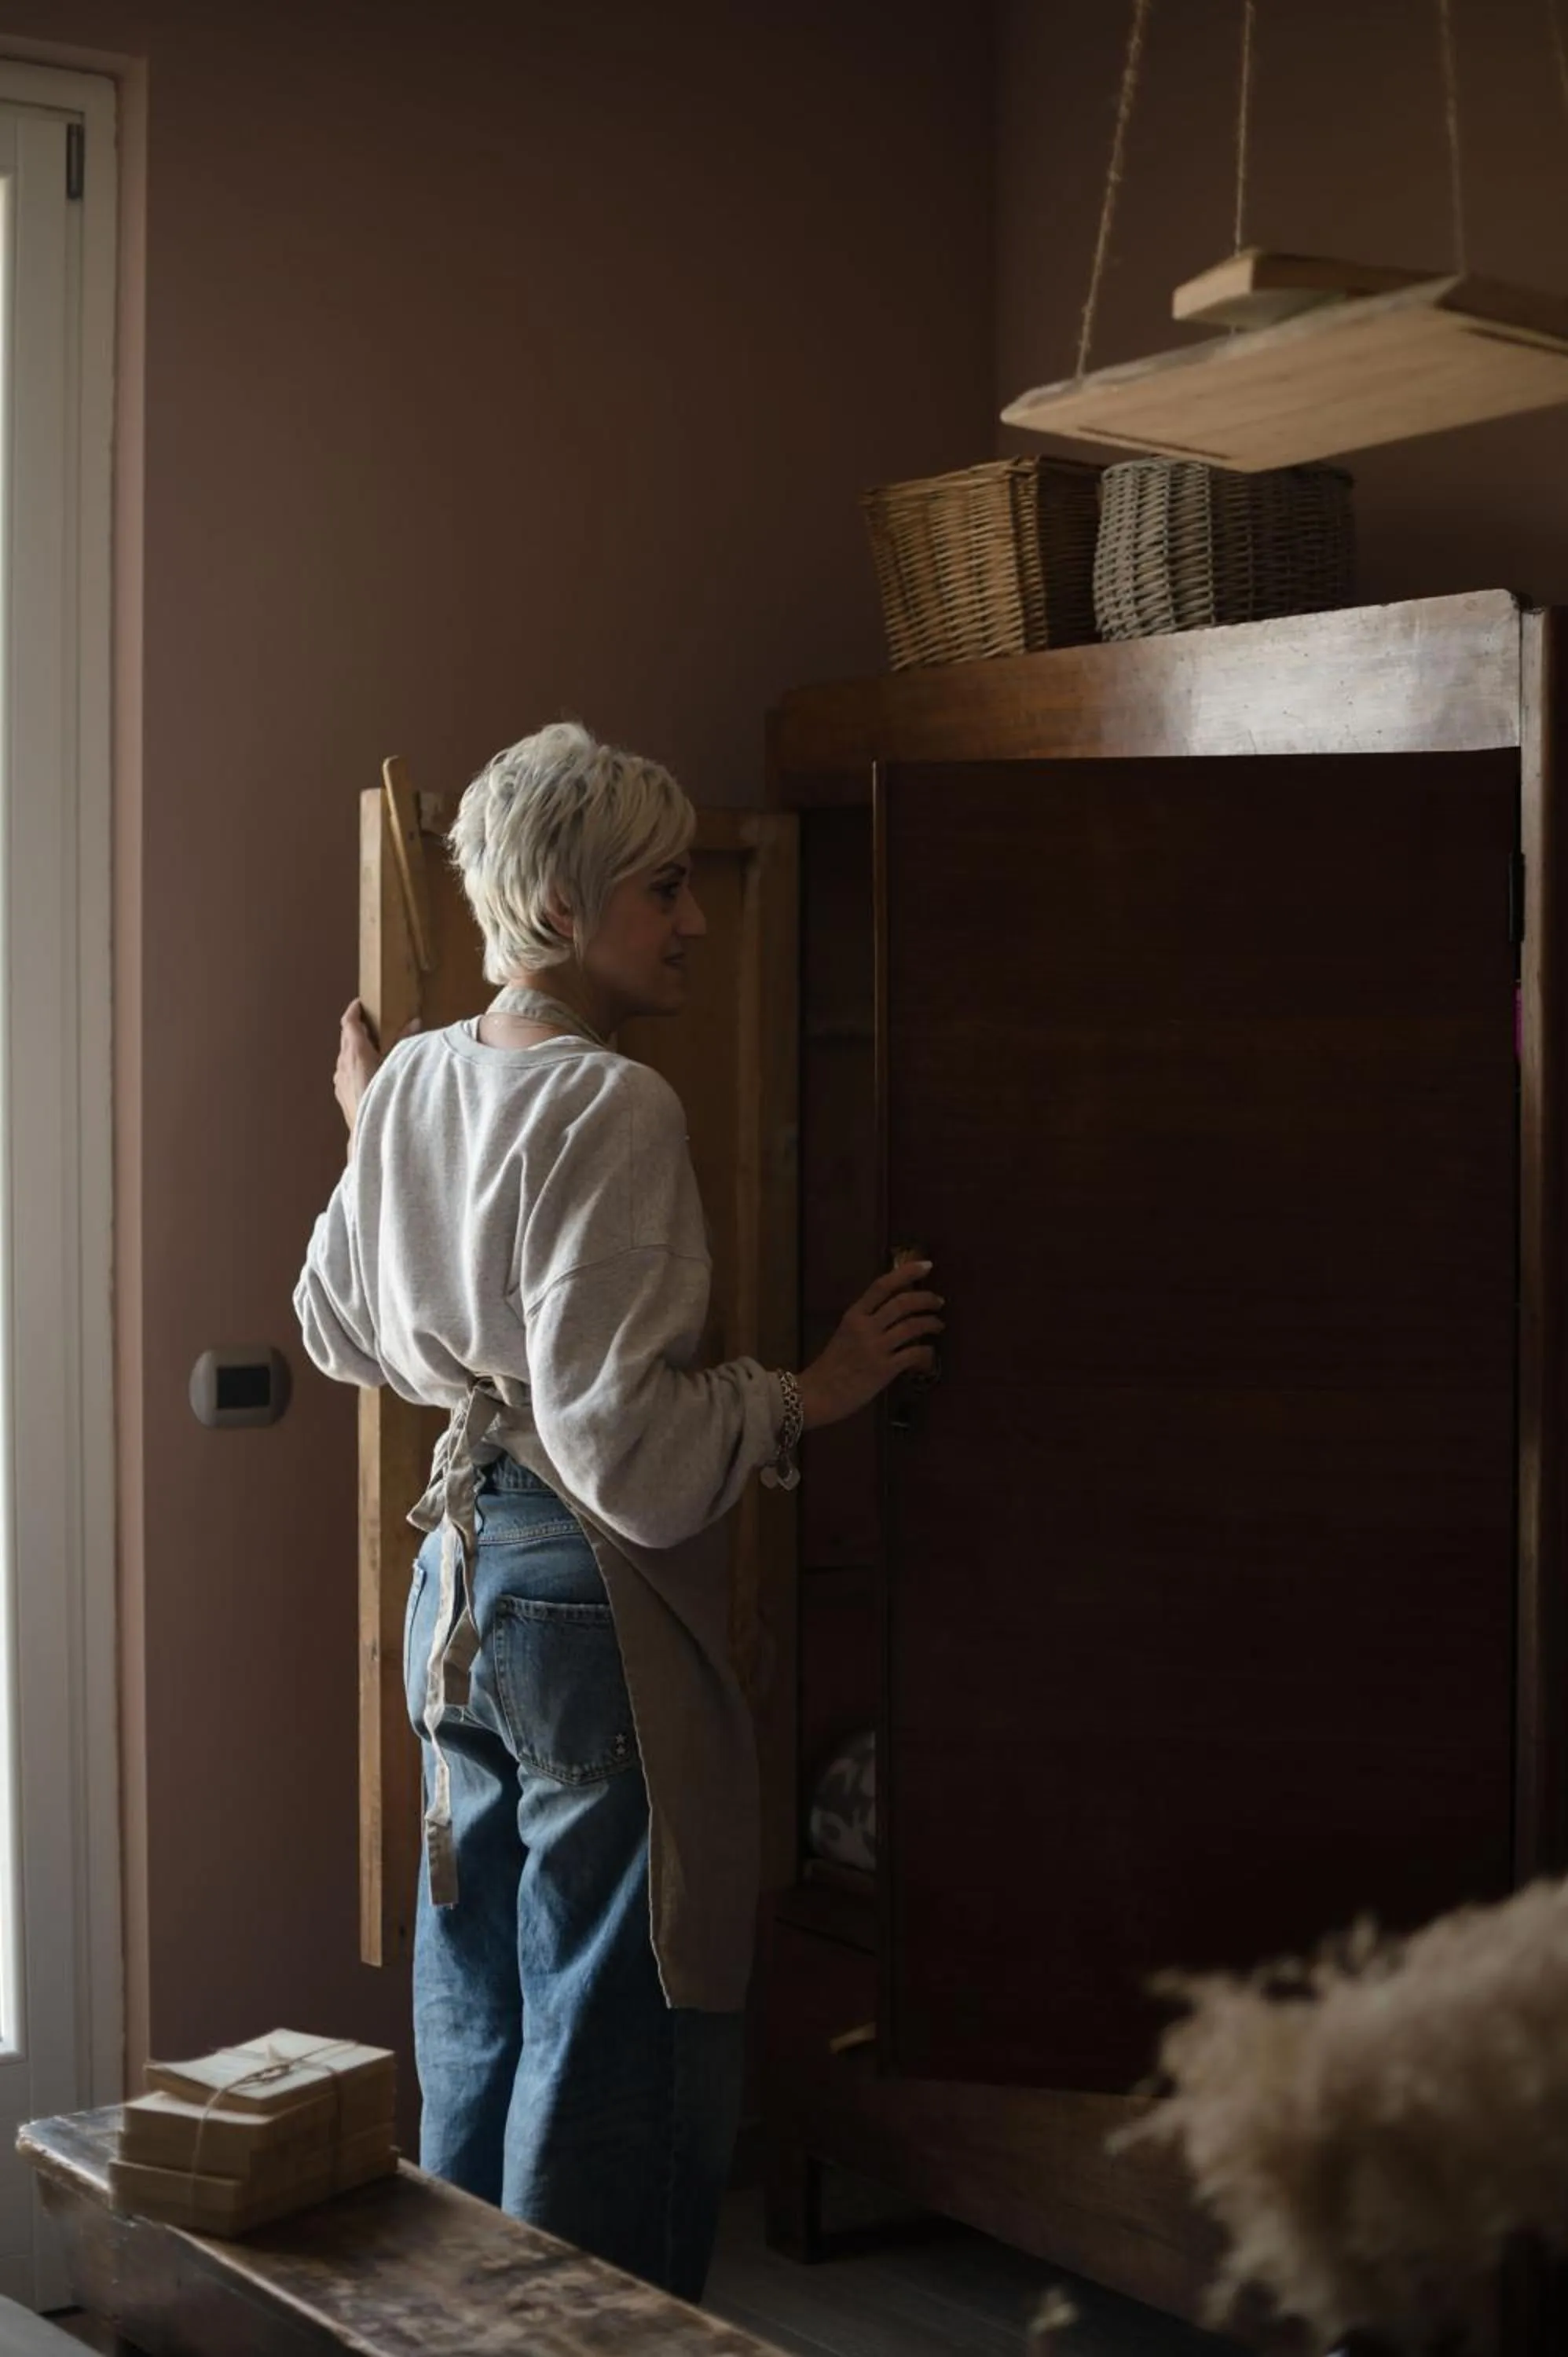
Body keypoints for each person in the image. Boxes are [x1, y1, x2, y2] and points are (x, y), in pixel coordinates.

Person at [293, 721, 941, 2300]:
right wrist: (809, 1391)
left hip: (449, 1581)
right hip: (577, 1588)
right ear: (566, 908)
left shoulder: (424, 1078)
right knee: (615, 2006)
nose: (697, 918)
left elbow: (334, 1326)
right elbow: (626, 1452)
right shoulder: (614, 1106)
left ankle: (455, 2332)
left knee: (477, 2001)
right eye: (662, 890)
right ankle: (589, 2347)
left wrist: (384, 1140)